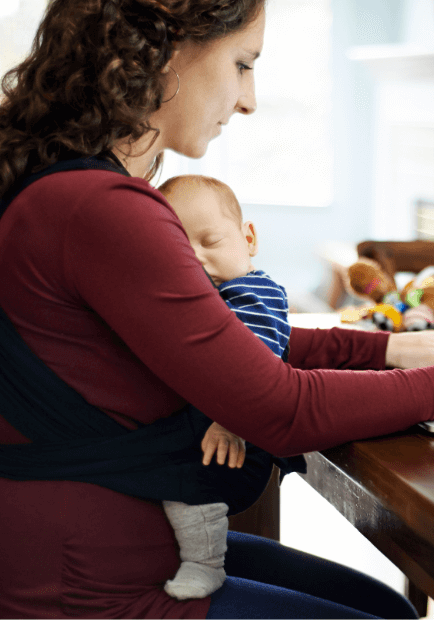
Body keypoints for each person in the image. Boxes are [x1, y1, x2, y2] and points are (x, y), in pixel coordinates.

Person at [0, 0, 434, 617]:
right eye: (243, 64)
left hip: (110, 554)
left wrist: (390, 348)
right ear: (166, 52)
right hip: (87, 592)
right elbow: (277, 407)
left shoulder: (62, 185)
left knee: (382, 605)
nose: (249, 99)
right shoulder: (102, 208)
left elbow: (219, 343)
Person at [156, 173, 299, 601]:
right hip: (213, 431)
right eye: (181, 250)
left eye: (211, 242)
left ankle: (205, 564)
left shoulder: (252, 293)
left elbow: (252, 365)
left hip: (236, 439)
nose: (196, 258)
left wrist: (228, 418)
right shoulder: (206, 298)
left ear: (248, 238)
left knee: (184, 487)